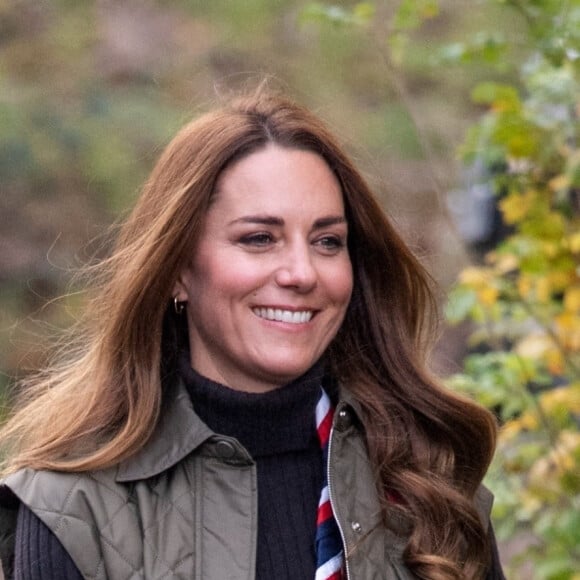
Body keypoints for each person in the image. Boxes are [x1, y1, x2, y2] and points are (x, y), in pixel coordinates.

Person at [0, 88, 505, 579]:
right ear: (178, 269)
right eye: (259, 239)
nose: (302, 272)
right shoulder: (74, 507)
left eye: (328, 241)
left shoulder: (428, 476)